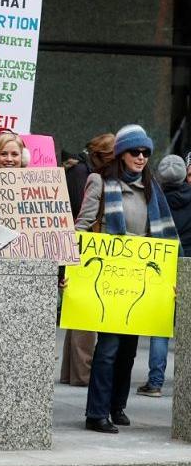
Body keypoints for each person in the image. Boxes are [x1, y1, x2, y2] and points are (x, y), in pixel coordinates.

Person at [74, 125, 180, 433]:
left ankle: (116, 406)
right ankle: (96, 413)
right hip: (109, 276)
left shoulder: (152, 187)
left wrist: (170, 276)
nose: (141, 157)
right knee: (108, 347)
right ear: (121, 153)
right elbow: (82, 227)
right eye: (135, 151)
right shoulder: (100, 181)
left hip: (139, 278)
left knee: (129, 350)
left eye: (146, 152)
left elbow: (162, 237)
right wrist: (72, 270)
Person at [60, 134, 115, 388]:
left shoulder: (101, 177)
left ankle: (71, 373)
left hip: (96, 251)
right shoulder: (97, 179)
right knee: (86, 316)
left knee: (79, 315)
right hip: (93, 252)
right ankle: (83, 374)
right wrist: (73, 252)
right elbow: (85, 219)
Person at [134, 154, 191, 397]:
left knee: (161, 325)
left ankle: (155, 382)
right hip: (188, 264)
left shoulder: (153, 198)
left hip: (162, 264)